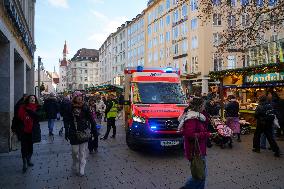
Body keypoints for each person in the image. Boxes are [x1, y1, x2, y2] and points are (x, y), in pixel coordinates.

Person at [178, 97, 210, 189]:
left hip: (199, 148)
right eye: (203, 105)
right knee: (200, 176)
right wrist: (206, 134)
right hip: (195, 150)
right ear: (199, 106)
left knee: (201, 175)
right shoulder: (191, 118)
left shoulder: (198, 115)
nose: (204, 107)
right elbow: (190, 134)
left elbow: (205, 122)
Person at [65, 91, 96, 176]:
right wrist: (66, 131)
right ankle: (75, 162)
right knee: (74, 151)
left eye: (81, 96)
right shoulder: (70, 107)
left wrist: (93, 128)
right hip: (73, 131)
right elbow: (66, 119)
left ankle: (82, 167)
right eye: (78, 96)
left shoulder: (85, 106)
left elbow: (91, 118)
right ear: (74, 98)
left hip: (83, 131)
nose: (80, 98)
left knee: (82, 152)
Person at [17, 95, 41, 173]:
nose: (32, 100)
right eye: (31, 99)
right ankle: (24, 163)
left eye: (34, 99)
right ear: (28, 100)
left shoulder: (37, 107)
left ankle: (28, 159)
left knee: (30, 146)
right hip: (24, 130)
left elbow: (38, 117)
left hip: (32, 130)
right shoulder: (22, 107)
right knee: (24, 147)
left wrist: (30, 111)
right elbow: (19, 117)